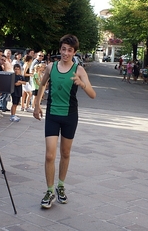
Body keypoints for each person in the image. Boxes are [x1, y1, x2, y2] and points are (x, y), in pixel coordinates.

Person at [33, 34, 96, 209]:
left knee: (65, 153)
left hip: (70, 116)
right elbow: (42, 85)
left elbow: (93, 95)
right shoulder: (51, 67)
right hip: (53, 114)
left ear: (74, 52)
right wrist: (37, 105)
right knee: (49, 155)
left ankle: (61, 185)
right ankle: (49, 190)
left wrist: (82, 84)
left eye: (69, 50)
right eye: (63, 49)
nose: (66, 53)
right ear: (60, 49)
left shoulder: (79, 70)